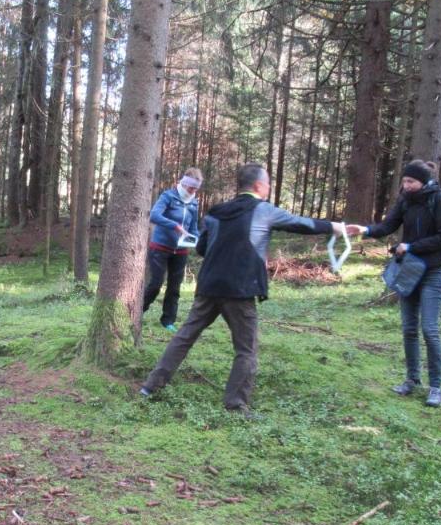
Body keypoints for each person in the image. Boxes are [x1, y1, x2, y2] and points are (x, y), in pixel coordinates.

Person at [140, 163, 345, 413]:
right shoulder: (264, 210)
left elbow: (202, 248)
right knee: (246, 349)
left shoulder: (216, 212)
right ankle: (235, 404)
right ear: (259, 186)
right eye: (268, 182)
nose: (269, 186)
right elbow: (301, 223)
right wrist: (337, 227)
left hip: (209, 286)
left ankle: (150, 386)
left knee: (184, 337)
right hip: (240, 289)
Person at [349, 159, 441, 408]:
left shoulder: (439, 200)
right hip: (409, 271)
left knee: (429, 329)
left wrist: (410, 246)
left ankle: (436, 387)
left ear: (424, 181)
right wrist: (364, 230)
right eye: (404, 181)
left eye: (411, 181)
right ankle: (412, 379)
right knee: (409, 328)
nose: (406, 185)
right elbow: (388, 226)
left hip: (432, 272)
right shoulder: (405, 200)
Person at [142, 167, 203, 331]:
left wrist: (197, 239)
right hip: (160, 247)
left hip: (181, 250)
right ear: (184, 184)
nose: (193, 191)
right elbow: (154, 215)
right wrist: (175, 226)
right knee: (156, 283)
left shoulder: (194, 202)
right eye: (191, 188)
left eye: (196, 189)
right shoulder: (168, 196)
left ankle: (168, 321)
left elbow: (193, 226)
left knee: (174, 286)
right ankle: (139, 311)